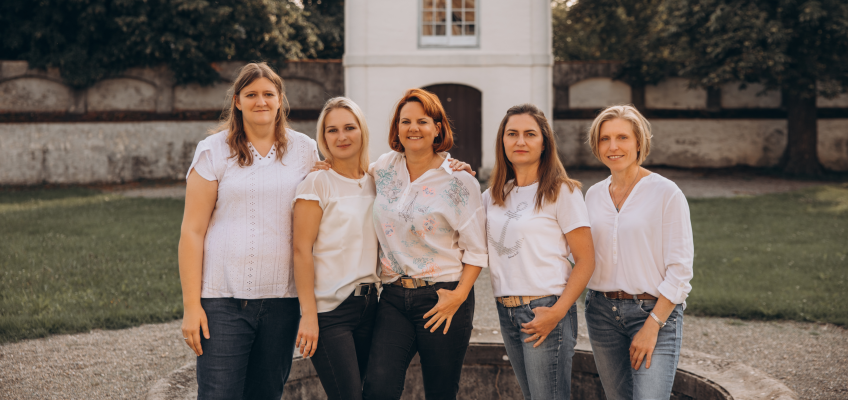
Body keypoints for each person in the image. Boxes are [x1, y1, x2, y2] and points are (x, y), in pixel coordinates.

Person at [178, 62, 319, 399]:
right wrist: (191, 306)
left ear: (280, 99)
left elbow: (334, 194)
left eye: (268, 94)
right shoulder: (213, 150)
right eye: (251, 94)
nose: (261, 101)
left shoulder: (305, 150)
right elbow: (192, 232)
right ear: (237, 101)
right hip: (223, 302)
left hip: (283, 302)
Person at [362, 88, 488, 400]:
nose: (413, 128)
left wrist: (458, 296)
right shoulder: (383, 168)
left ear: (437, 129)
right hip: (393, 295)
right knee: (377, 388)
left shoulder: (459, 181)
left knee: (440, 391)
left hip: (443, 295)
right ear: (397, 129)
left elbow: (476, 250)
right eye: (405, 121)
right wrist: (323, 168)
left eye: (422, 121)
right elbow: (348, 174)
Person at [483, 104, 595, 399]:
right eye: (512, 134)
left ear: (544, 143)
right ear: (502, 141)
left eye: (530, 134)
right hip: (506, 309)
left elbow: (586, 260)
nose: (520, 141)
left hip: (545, 307)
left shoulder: (562, 192)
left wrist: (556, 313)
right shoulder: (492, 196)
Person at [583, 105, 694, 400]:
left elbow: (680, 270)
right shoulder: (592, 195)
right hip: (601, 313)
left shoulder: (666, 193)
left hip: (653, 312)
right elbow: (580, 256)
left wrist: (653, 325)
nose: (613, 147)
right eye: (605, 139)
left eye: (622, 137)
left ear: (639, 142)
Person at [291, 97, 381, 400]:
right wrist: (309, 315)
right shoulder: (317, 182)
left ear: (362, 131)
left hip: (370, 306)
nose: (341, 136)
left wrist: (452, 164)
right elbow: (301, 250)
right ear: (324, 137)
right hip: (330, 312)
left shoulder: (376, 181)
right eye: (332, 130)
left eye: (349, 128)